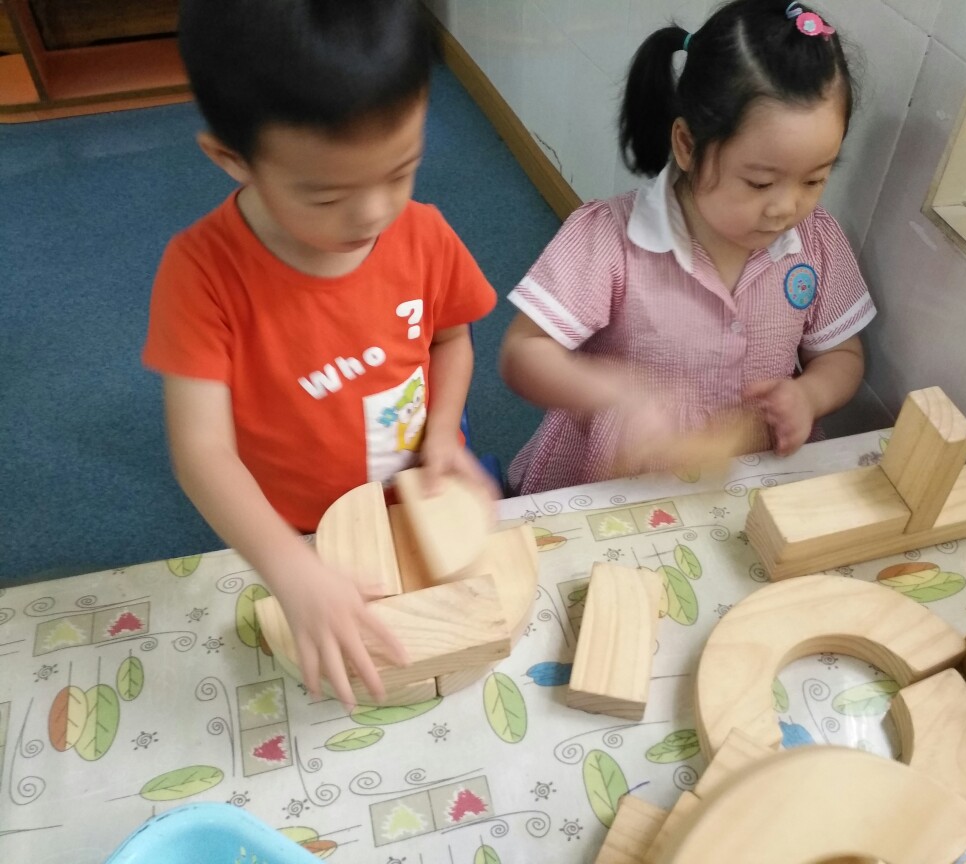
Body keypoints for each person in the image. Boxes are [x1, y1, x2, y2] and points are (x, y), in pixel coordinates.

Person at [142, 0, 497, 708]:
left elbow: (451, 337)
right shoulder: (201, 274)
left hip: (417, 493)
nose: (373, 213)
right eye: (327, 196)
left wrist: (442, 432)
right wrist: (290, 569)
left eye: (401, 171)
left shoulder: (424, 234)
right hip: (300, 530)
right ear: (232, 159)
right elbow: (201, 453)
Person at [500, 0, 876, 494]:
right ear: (687, 145)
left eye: (814, 179)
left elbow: (843, 355)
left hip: (743, 479)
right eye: (760, 183)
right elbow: (523, 352)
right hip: (612, 481)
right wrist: (615, 395)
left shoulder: (816, 241)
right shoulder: (609, 238)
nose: (786, 208)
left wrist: (810, 394)